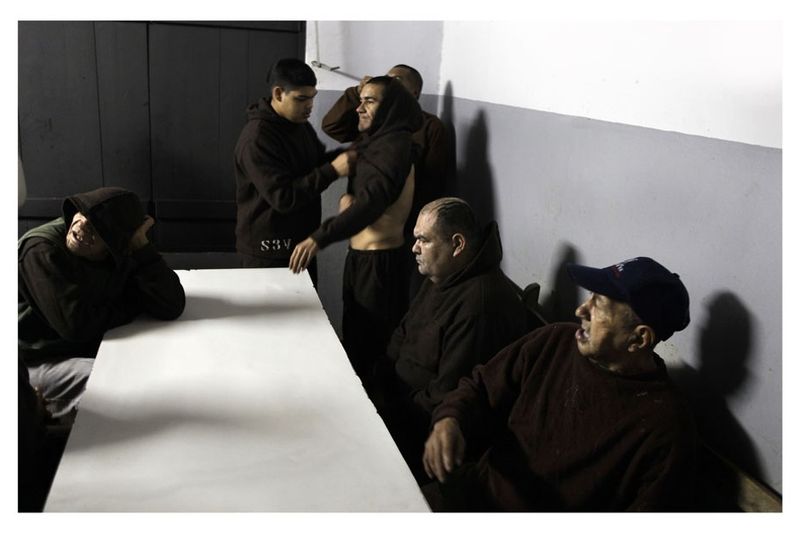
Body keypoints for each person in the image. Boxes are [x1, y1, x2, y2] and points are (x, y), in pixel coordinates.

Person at [422, 256, 696, 511]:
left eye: (598, 306)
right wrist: (449, 420)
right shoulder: (555, 340)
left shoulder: (664, 425)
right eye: (590, 297)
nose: (580, 310)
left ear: (638, 340)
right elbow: (480, 385)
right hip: (477, 492)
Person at [374, 197, 528, 482]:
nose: (414, 248)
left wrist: (382, 415)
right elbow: (401, 335)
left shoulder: (481, 306)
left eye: (424, 240)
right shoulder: (440, 275)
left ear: (457, 245)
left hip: (420, 428)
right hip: (397, 401)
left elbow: (445, 397)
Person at [289, 76, 422, 384]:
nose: (359, 108)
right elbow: (366, 195)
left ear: (390, 107)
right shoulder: (378, 141)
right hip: (365, 260)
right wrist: (351, 198)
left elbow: (371, 203)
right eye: (360, 100)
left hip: (379, 266)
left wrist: (318, 237)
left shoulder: (393, 147)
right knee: (357, 346)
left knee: (371, 353)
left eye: (369, 101)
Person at [18, 187, 186, 422]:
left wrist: (141, 246)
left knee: (164, 366)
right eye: (82, 215)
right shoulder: (42, 250)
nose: (81, 228)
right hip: (29, 364)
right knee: (113, 384)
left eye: (97, 229)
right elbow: (76, 327)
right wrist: (133, 304)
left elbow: (172, 304)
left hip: (78, 348)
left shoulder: (122, 250)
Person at [322, 64, 451, 299]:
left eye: (396, 82)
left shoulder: (429, 127)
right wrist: (358, 91)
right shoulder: (373, 122)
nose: (388, 86)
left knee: (387, 306)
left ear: (412, 94)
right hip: (362, 233)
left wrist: (409, 226)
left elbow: (433, 186)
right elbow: (332, 126)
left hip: (399, 236)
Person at [234, 58, 354, 284]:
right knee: (273, 318)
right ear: (278, 94)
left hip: (300, 245)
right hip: (267, 252)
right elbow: (283, 198)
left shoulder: (299, 125)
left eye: (312, 97)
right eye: (301, 99)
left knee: (306, 316)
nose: (309, 106)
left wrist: (350, 155)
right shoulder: (257, 138)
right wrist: (334, 170)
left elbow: (316, 164)